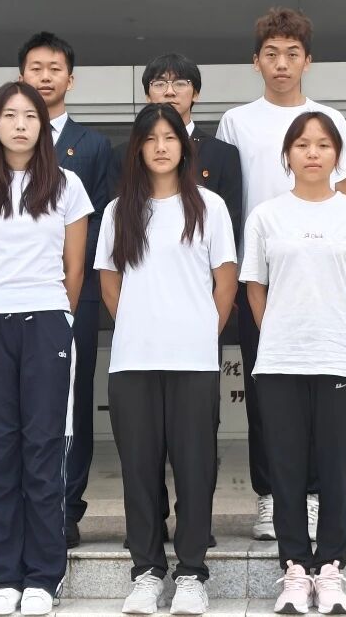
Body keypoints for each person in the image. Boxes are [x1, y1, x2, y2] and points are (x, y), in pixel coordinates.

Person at [0, 81, 93, 615]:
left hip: (48, 323)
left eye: (29, 116)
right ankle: (4, 577)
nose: (20, 125)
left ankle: (44, 577)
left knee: (43, 448)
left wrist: (53, 312)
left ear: (42, 125)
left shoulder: (67, 185)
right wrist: (0, 304)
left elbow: (74, 270)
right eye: (9, 115)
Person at [216, 7, 346, 541]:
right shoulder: (236, 121)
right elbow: (227, 201)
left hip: (321, 279)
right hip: (261, 277)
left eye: (292, 54)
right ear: (255, 62)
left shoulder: (329, 119)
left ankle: (315, 497)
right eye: (271, 54)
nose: (281, 64)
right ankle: (271, 496)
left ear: (307, 60)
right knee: (266, 393)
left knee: (323, 394)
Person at [96, 103, 237, 615]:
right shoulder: (119, 211)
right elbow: (109, 283)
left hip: (193, 360)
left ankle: (193, 573)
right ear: (137, 148)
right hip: (133, 360)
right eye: (150, 138)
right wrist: (140, 326)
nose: (160, 146)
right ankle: (147, 572)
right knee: (139, 470)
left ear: (184, 145)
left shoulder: (210, 207)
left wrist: (200, 332)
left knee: (195, 469)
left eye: (169, 137)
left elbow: (226, 281)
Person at [241, 112, 346, 615]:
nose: (313, 152)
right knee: (287, 470)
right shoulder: (266, 216)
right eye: (302, 144)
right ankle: (296, 569)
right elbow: (255, 287)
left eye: (323, 144)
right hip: (280, 360)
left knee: (336, 470)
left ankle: (332, 568)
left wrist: (337, 330)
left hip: (338, 359)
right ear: (288, 155)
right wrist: (279, 331)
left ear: (337, 155)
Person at [18, 31, 113, 549]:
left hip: (76, 290)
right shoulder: (5, 141)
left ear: (70, 80)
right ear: (21, 76)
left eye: (55, 68)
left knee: (73, 397)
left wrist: (69, 268)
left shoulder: (92, 146)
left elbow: (103, 222)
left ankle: (66, 507)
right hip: (15, 293)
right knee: (20, 399)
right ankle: (26, 503)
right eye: (36, 68)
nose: (45, 76)